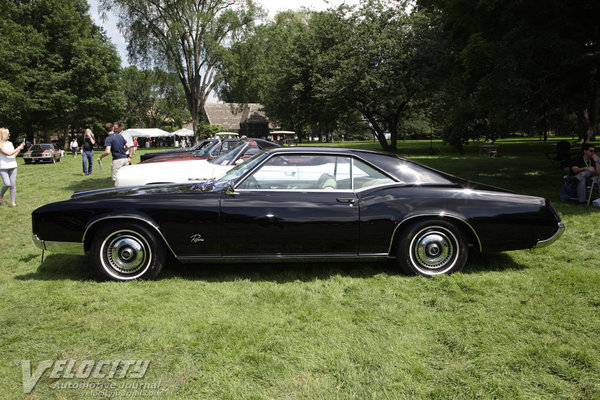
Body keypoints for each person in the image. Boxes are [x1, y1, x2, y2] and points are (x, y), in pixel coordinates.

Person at [98, 122, 130, 186]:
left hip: (117, 160)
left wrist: (100, 157)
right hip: (125, 159)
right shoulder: (120, 136)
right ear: (113, 128)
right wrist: (123, 151)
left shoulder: (108, 138)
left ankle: (117, 193)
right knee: (125, 179)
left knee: (116, 179)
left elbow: (107, 151)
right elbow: (128, 146)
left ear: (105, 130)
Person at [0, 128, 25, 207]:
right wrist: (18, 148)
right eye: (8, 134)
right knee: (7, 184)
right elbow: (8, 154)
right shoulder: (0, 145)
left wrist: (20, 149)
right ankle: (1, 196)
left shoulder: (10, 143)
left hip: (13, 166)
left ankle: (12, 202)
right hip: (3, 167)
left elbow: (13, 155)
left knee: (13, 185)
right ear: (3, 135)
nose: (9, 135)